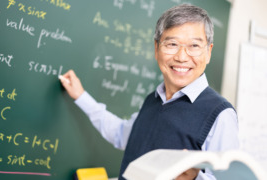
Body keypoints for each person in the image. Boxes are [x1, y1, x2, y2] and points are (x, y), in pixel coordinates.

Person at [60, 4, 239, 180]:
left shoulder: (220, 115)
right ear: (156, 49)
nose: (182, 57)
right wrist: (81, 96)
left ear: (208, 52)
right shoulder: (153, 100)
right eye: (172, 44)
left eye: (194, 46)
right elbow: (121, 134)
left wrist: (195, 178)